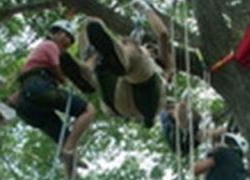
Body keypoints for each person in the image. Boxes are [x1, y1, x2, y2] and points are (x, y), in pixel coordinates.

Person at [15, 20, 99, 180]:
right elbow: (55, 67)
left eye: (71, 38)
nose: (68, 40)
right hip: (38, 88)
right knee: (88, 110)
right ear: (53, 33)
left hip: (29, 107)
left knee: (66, 139)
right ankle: (69, 151)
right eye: (65, 35)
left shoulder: (46, 49)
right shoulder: (49, 45)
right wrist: (64, 78)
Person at [59, 1, 172, 129]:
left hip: (147, 99)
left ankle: (117, 61)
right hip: (116, 99)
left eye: (153, 49)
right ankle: (87, 71)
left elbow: (163, 35)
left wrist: (147, 10)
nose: (151, 49)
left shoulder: (163, 65)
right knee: (91, 23)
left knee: (134, 52)